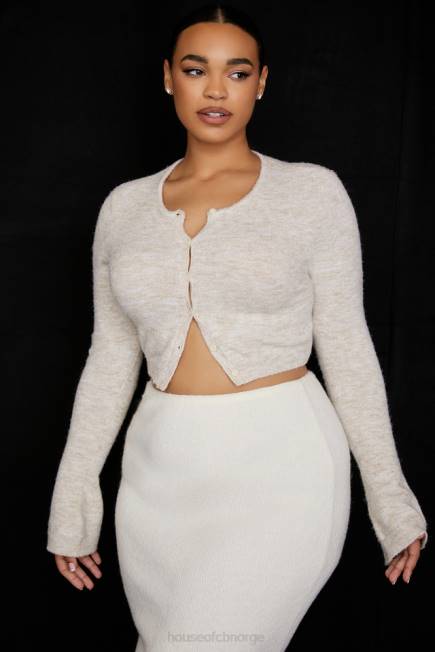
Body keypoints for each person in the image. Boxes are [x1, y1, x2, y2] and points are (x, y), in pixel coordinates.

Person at [46, 3, 428, 650]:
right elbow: (109, 360)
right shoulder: (123, 209)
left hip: (281, 465)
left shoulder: (311, 194)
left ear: (262, 82)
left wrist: (389, 500)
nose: (217, 90)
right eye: (196, 70)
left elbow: (347, 348)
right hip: (159, 473)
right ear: (168, 77)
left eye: (238, 72)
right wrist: (73, 501)